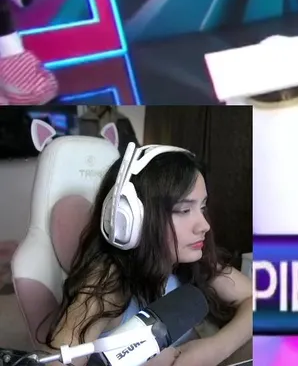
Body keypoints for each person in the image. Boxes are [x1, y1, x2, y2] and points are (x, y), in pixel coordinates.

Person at [44, 147, 252, 366]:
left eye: (202, 207)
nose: (204, 225)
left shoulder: (190, 261)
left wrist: (216, 348)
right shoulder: (106, 283)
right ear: (132, 218)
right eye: (184, 210)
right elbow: (55, 362)